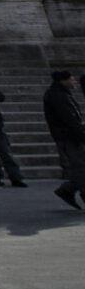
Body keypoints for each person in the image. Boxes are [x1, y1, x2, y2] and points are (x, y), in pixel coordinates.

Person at [45, 70, 85, 210]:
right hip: (68, 137)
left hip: (70, 135)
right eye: (71, 79)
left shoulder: (62, 94)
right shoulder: (58, 96)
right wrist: (81, 134)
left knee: (80, 166)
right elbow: (69, 119)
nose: (74, 81)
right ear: (63, 80)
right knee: (80, 166)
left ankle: (66, 190)